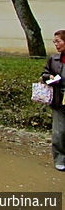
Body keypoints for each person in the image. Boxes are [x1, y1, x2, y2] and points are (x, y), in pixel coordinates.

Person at [41, 30, 65, 171]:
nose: (56, 44)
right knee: (59, 132)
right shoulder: (53, 59)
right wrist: (48, 77)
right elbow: (44, 73)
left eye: (58, 41)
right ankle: (60, 159)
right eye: (54, 42)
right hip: (59, 100)